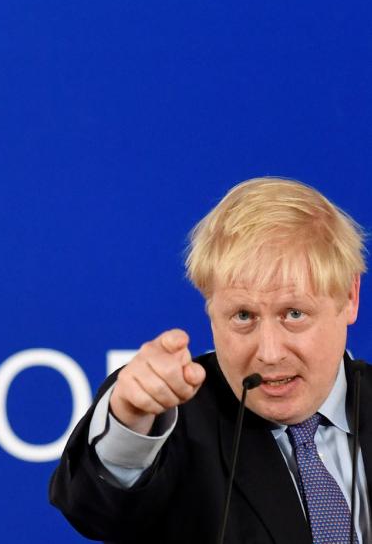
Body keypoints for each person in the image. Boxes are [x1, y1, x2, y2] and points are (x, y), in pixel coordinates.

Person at [49, 177, 372, 543]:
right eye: (243, 316)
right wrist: (131, 418)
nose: (268, 352)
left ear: (349, 297)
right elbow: (97, 509)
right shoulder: (176, 421)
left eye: (294, 313)